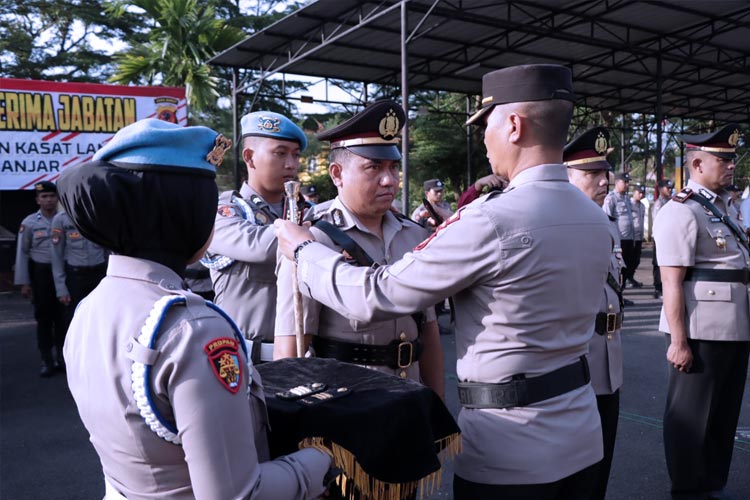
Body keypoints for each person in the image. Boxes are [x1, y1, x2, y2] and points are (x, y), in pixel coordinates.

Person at [275, 64, 612, 499]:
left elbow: (378, 294)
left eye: (486, 124)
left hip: (513, 449)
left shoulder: (491, 219)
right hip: (580, 434)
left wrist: (302, 251)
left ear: (513, 125)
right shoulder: (593, 217)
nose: (484, 138)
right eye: (373, 167)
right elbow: (292, 346)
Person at [57, 118, 332, 499]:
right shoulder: (194, 329)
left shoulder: (91, 307)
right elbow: (238, 494)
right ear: (184, 214)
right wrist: (321, 460)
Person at [273, 100, 444, 398]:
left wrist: (439, 412)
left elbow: (428, 331)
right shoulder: (311, 240)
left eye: (393, 167)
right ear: (337, 174)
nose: (389, 180)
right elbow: (291, 350)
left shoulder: (414, 235)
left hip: (413, 399)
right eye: (373, 167)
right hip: (348, 405)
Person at [653, 123, 749, 500]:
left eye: (731, 159)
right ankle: (688, 488)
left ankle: (712, 482)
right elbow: (672, 282)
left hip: (735, 328)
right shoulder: (681, 212)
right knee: (691, 417)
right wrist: (678, 341)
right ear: (696, 163)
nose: (730, 166)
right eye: (722, 160)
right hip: (699, 330)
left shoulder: (726, 206)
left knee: (724, 413)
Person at [203, 111, 308, 363]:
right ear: (249, 157)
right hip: (243, 360)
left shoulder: (307, 212)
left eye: (295, 155)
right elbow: (262, 247)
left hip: (300, 357)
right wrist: (317, 231)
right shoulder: (225, 211)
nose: (291, 164)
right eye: (280, 153)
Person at [564, 126, 624, 500]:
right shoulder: (556, 226)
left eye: (604, 172)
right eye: (591, 173)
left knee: (601, 465)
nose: (603, 180)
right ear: (564, 176)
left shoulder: (607, 225)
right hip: (572, 363)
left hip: (608, 360)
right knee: (572, 471)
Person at [14, 181, 67, 377]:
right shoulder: (29, 223)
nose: (48, 200)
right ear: (37, 200)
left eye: (51, 196)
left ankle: (63, 357)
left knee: (63, 317)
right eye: (44, 197)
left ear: (57, 198)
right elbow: (22, 253)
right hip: (41, 274)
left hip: (62, 273)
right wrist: (25, 283)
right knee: (44, 317)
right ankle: (46, 359)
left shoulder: (65, 220)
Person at [50, 210, 108, 350]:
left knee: (101, 318)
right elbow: (56, 256)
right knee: (74, 319)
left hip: (99, 274)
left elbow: (109, 250)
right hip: (76, 276)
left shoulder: (99, 213)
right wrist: (61, 288)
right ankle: (73, 354)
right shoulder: (61, 219)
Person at [604, 172, 640, 288]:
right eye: (625, 182)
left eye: (628, 182)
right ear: (617, 182)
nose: (627, 184)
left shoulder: (626, 199)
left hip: (629, 239)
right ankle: (618, 294)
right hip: (618, 241)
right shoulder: (611, 199)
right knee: (618, 268)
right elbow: (607, 219)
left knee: (627, 267)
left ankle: (622, 293)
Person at [652, 179, 675, 299]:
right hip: (660, 237)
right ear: (661, 189)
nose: (670, 190)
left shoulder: (671, 202)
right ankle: (658, 288)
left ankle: (664, 287)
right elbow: (657, 222)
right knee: (658, 263)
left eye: (671, 188)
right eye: (668, 188)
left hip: (670, 237)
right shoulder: (659, 203)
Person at [630, 183, 646, 282]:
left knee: (636, 260)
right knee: (629, 259)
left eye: (643, 193)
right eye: (639, 192)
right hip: (630, 237)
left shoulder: (642, 206)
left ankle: (631, 277)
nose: (641, 195)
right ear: (634, 192)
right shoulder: (629, 204)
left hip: (639, 236)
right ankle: (627, 278)